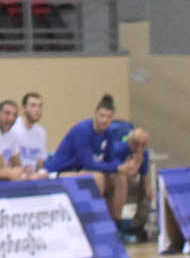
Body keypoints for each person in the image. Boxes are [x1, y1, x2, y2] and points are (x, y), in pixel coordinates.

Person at [49, 95, 154, 237]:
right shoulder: (82, 130)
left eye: (108, 117)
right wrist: (118, 167)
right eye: (102, 116)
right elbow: (88, 163)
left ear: (112, 118)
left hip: (84, 171)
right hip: (62, 171)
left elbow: (110, 160)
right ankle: (92, 224)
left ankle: (113, 224)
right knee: (97, 178)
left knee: (119, 177)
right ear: (95, 114)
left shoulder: (108, 133)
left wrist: (123, 167)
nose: (104, 120)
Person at [6, 92, 49, 176]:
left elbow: (40, 162)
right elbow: (12, 161)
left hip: (32, 178)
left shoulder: (41, 132)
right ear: (24, 108)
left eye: (40, 106)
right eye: (33, 105)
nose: (37, 110)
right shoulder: (13, 128)